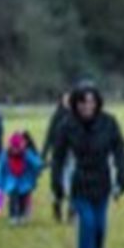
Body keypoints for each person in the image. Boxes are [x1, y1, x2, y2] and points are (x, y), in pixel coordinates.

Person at [51, 82, 124, 248]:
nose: (87, 107)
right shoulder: (66, 126)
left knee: (100, 225)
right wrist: (57, 185)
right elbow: (58, 158)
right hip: (78, 182)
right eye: (83, 103)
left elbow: (119, 150)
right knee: (87, 222)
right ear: (75, 104)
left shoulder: (109, 122)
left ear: (97, 103)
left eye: (91, 102)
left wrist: (122, 176)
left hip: (102, 180)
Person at [0, 131, 44, 224]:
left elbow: (35, 162)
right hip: (11, 183)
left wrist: (40, 165)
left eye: (18, 147)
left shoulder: (26, 154)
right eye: (14, 147)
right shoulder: (5, 156)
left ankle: (21, 215)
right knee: (13, 199)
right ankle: (13, 216)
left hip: (24, 183)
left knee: (22, 200)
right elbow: (1, 170)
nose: (16, 150)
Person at [42, 91, 75, 223]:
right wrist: (43, 154)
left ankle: (71, 214)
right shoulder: (57, 116)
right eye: (66, 99)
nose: (68, 101)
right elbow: (49, 135)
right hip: (58, 156)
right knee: (57, 186)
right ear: (61, 100)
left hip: (73, 155)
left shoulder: (78, 116)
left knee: (73, 185)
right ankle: (57, 206)